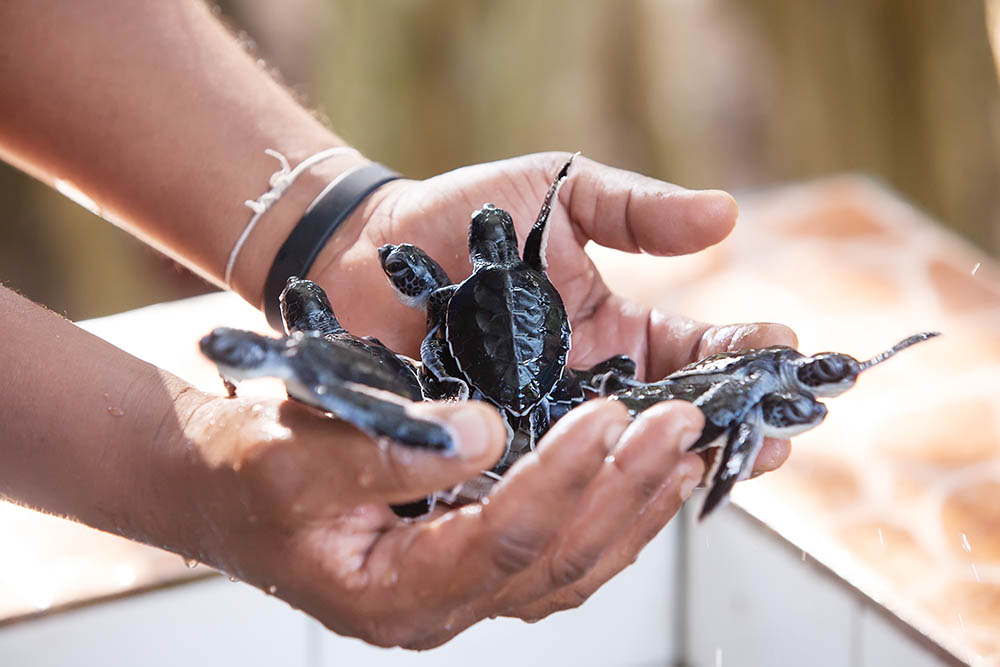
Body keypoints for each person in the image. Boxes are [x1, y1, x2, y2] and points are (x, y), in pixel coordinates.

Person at [0, 1, 795, 650]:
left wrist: (339, 223)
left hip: (454, 366)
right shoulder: (472, 296)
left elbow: (422, 305)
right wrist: (191, 461)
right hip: (485, 369)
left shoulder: (447, 301)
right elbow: (428, 318)